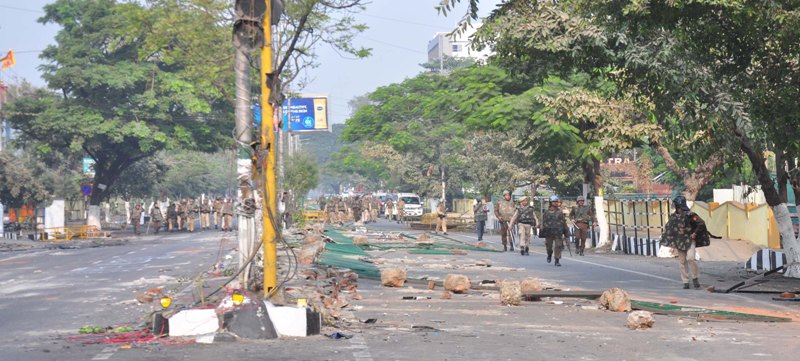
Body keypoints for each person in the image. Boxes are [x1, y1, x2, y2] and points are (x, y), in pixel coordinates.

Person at [661, 195, 701, 289]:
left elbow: (700, 223)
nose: (678, 209)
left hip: (690, 240)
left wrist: (694, 233)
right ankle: (685, 281)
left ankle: (695, 277)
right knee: (682, 262)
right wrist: (669, 241)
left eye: (679, 207)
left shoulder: (691, 215)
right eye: (677, 207)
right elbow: (669, 229)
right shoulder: (673, 217)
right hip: (679, 242)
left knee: (691, 258)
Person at [541, 195, 570, 266]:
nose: (555, 203)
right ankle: (549, 255)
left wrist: (566, 232)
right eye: (554, 202)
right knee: (549, 247)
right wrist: (541, 228)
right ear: (551, 202)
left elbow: (564, 222)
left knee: (558, 246)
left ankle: (557, 260)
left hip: (558, 232)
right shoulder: (546, 212)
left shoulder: (560, 212)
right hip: (549, 232)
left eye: (556, 202)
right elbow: (542, 222)